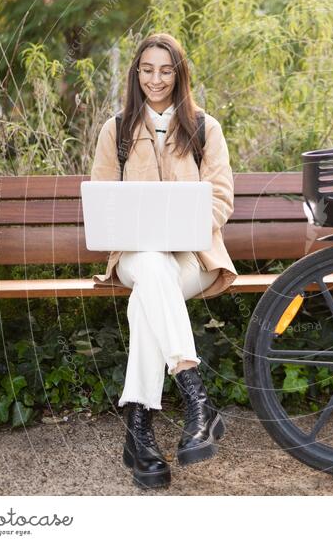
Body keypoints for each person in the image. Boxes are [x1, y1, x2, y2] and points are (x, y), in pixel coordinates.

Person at [89, 33, 237, 489]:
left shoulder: (204, 128)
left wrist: (186, 228)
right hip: (133, 256)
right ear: (137, 73)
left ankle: (140, 433)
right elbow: (102, 203)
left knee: (149, 296)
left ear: (179, 74)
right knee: (150, 266)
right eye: (148, 70)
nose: (156, 79)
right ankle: (196, 396)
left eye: (166, 70)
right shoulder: (115, 129)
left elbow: (221, 198)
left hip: (191, 258)